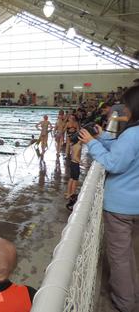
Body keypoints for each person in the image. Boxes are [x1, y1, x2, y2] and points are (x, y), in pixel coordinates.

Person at [79, 85, 139, 312]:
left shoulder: (133, 134)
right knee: (131, 253)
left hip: (121, 208)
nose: (123, 108)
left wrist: (91, 143)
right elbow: (123, 151)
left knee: (120, 256)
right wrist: (102, 137)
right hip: (136, 205)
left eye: (126, 104)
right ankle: (133, 293)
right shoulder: (133, 135)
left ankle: (126, 303)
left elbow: (114, 163)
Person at [65, 134, 82, 200]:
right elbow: (75, 157)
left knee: (71, 178)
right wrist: (81, 163)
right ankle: (72, 194)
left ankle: (68, 192)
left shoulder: (73, 145)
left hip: (72, 163)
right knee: (75, 180)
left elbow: (72, 156)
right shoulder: (78, 146)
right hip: (75, 164)